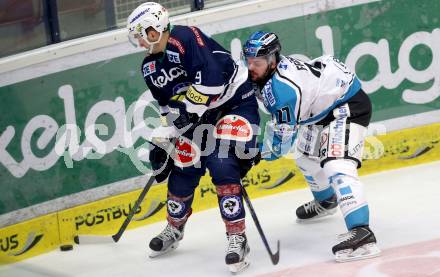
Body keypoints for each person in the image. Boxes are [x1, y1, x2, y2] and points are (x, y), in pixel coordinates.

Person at [126, 2, 260, 273]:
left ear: (154, 31)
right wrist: (167, 137)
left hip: (233, 103)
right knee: (183, 167)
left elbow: (212, 82)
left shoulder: (185, 37)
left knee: (222, 164)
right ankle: (174, 228)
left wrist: (187, 111)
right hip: (199, 115)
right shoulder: (150, 67)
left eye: (141, 34)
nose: (139, 41)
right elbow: (168, 107)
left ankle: (237, 237)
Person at [243, 31, 381, 262]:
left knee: (336, 165)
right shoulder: (263, 73)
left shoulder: (283, 90)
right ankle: (326, 200)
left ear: (273, 60)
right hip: (318, 111)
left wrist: (251, 155)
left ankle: (363, 233)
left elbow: (280, 145)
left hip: (345, 106)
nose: (250, 67)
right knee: (305, 155)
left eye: (256, 63)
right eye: (248, 61)